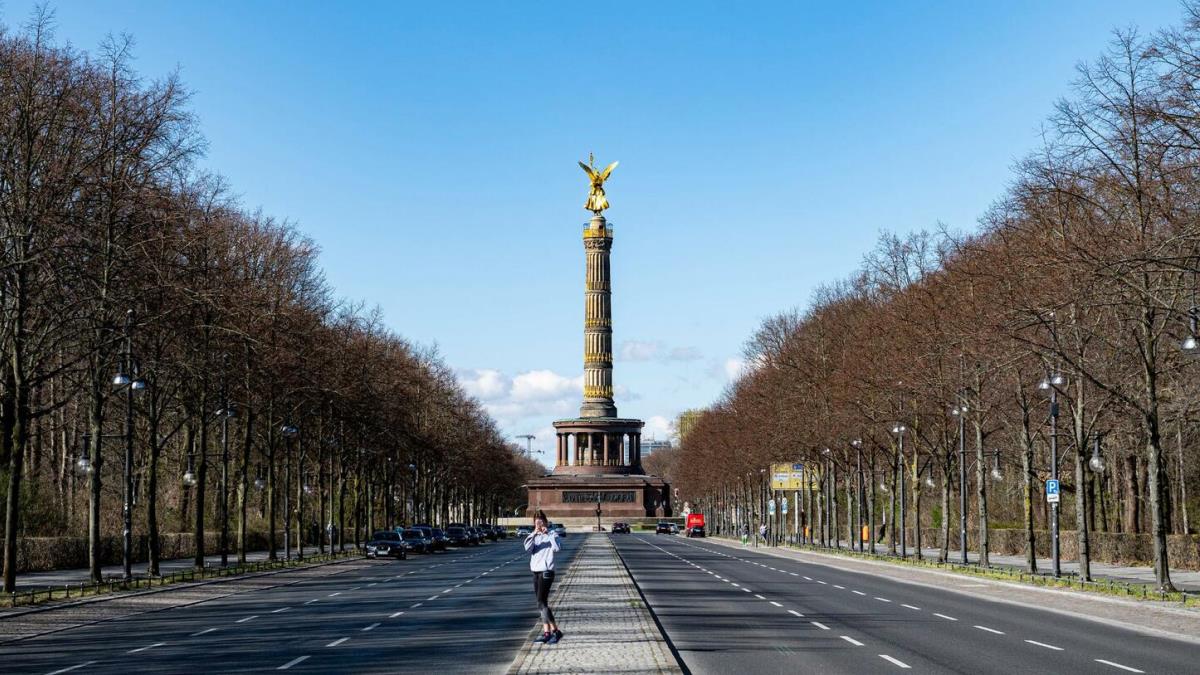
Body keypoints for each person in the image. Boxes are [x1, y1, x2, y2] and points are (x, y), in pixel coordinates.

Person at [524, 510, 563, 644]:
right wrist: (535, 533)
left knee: (541, 602)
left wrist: (548, 534)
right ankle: (548, 632)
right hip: (535, 572)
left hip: (546, 571)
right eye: (536, 521)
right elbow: (527, 548)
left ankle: (555, 631)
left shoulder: (553, 534)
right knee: (541, 604)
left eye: (541, 520)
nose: (539, 523)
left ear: (545, 521)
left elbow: (557, 548)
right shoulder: (533, 536)